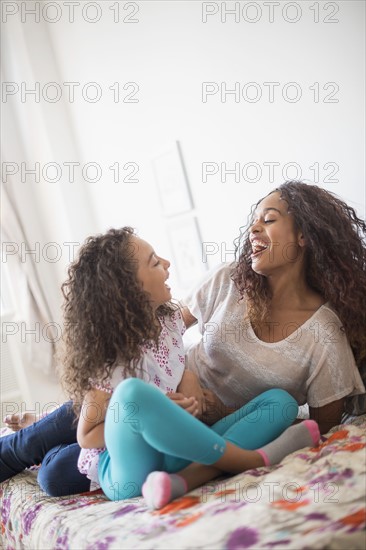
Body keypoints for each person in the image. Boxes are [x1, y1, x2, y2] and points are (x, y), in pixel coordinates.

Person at [179, 181, 366, 434]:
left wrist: (226, 414)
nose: (253, 229)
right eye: (254, 221)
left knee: (280, 405)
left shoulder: (325, 334)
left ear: (304, 236)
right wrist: (183, 380)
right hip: (174, 395)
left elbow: (325, 427)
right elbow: (163, 330)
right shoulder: (228, 279)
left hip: (232, 434)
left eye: (268, 220)